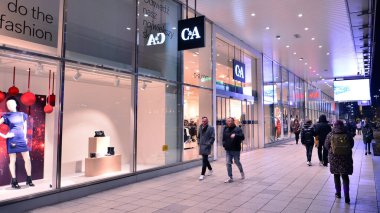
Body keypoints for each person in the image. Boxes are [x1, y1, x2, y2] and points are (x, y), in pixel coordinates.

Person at [0, 97, 35, 189]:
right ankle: (14, 181)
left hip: (21, 139)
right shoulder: (6, 116)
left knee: (27, 159)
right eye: (8, 104)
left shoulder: (22, 115)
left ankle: (29, 179)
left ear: (16, 104)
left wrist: (25, 137)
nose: (10, 105)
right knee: (13, 160)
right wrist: (4, 136)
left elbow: (25, 126)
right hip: (12, 140)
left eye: (11, 103)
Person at [324, 120, 354, 204]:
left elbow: (326, 146)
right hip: (346, 158)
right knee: (345, 177)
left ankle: (338, 193)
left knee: (336, 175)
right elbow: (351, 144)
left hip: (334, 158)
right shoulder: (347, 134)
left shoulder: (331, 134)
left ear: (334, 125)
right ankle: (347, 196)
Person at [222, 117, 245, 183]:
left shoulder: (238, 129)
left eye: (230, 121)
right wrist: (224, 144)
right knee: (228, 163)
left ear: (233, 121)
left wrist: (236, 135)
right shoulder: (225, 129)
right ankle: (230, 177)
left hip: (236, 149)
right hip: (228, 149)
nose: (229, 122)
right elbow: (223, 138)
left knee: (237, 162)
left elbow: (242, 137)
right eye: (228, 121)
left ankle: (242, 172)